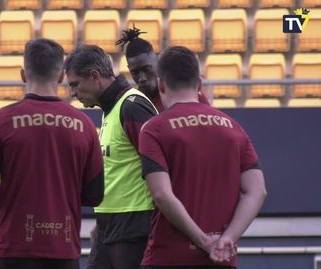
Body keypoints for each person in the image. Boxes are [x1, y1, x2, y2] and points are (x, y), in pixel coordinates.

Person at [0, 37, 105, 269]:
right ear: (62, 76)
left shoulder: (1, 120)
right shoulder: (84, 124)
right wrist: (61, 194)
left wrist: (12, 190)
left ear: (23, 75)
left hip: (14, 248)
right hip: (63, 249)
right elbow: (95, 194)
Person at [138, 45, 267, 269]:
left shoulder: (154, 129)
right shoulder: (234, 127)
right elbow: (257, 191)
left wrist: (204, 242)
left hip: (169, 258)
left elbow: (161, 195)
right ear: (199, 84)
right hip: (222, 260)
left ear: (160, 84)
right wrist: (227, 239)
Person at [64, 44, 157, 269]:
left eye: (75, 85)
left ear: (95, 76)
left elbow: (160, 168)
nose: (73, 93)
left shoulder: (132, 106)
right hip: (109, 227)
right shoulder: (111, 108)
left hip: (134, 230)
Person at [115, 25, 211, 112]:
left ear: (157, 62)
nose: (142, 78)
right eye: (135, 72)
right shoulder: (134, 105)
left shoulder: (184, 93)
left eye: (147, 69)